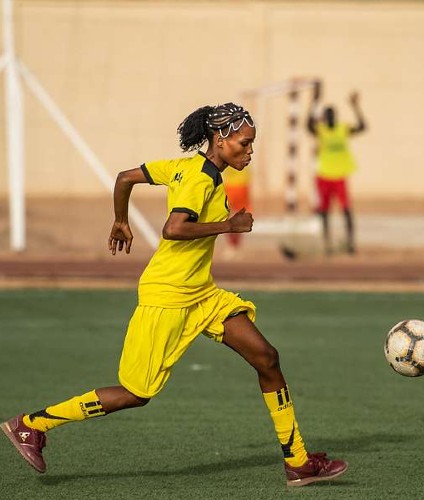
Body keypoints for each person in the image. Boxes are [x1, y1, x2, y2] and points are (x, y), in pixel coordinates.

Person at [1, 102, 348, 487]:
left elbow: (125, 177)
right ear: (220, 138)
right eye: (245, 144)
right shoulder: (199, 179)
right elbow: (174, 228)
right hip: (167, 296)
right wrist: (228, 225)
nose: (250, 151)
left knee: (267, 358)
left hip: (201, 294)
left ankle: (297, 462)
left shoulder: (183, 167)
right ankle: (32, 424)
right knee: (135, 393)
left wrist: (120, 220)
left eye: (252, 144)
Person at [307, 81, 367, 255]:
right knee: (324, 211)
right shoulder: (321, 130)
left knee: (347, 209)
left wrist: (355, 106)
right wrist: (314, 102)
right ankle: (327, 245)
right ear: (325, 118)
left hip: (340, 175)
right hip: (324, 175)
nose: (331, 118)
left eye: (333, 114)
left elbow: (362, 127)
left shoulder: (343, 129)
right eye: (328, 115)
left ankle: (351, 243)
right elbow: (308, 125)